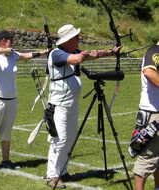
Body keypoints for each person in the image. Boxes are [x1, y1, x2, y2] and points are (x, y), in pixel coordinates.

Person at [45, 24, 121, 188]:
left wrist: (110, 52)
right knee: (60, 139)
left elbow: (92, 55)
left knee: (70, 138)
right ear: (67, 40)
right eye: (76, 37)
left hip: (71, 104)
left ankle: (63, 172)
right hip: (59, 105)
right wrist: (87, 54)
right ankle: (52, 175)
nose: (78, 39)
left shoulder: (73, 51)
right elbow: (77, 59)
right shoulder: (56, 53)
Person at [0, 30, 49, 173]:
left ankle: (6, 160)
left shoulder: (13, 55)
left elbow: (27, 56)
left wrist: (44, 52)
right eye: (6, 39)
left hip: (11, 100)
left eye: (11, 39)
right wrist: (4, 49)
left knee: (6, 133)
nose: (10, 41)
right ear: (1, 41)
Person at [132, 41, 159, 190]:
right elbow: (149, 72)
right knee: (147, 158)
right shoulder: (155, 51)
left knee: (157, 157)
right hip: (153, 114)